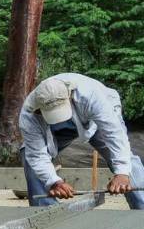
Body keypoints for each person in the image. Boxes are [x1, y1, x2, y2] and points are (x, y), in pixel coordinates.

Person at [20, 73, 144, 209]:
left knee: (127, 160)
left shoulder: (90, 95)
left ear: (70, 95)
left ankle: (141, 207)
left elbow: (115, 134)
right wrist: (55, 182)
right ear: (39, 109)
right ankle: (44, 213)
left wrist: (122, 173)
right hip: (54, 129)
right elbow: (36, 155)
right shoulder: (29, 114)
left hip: (94, 121)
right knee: (28, 155)